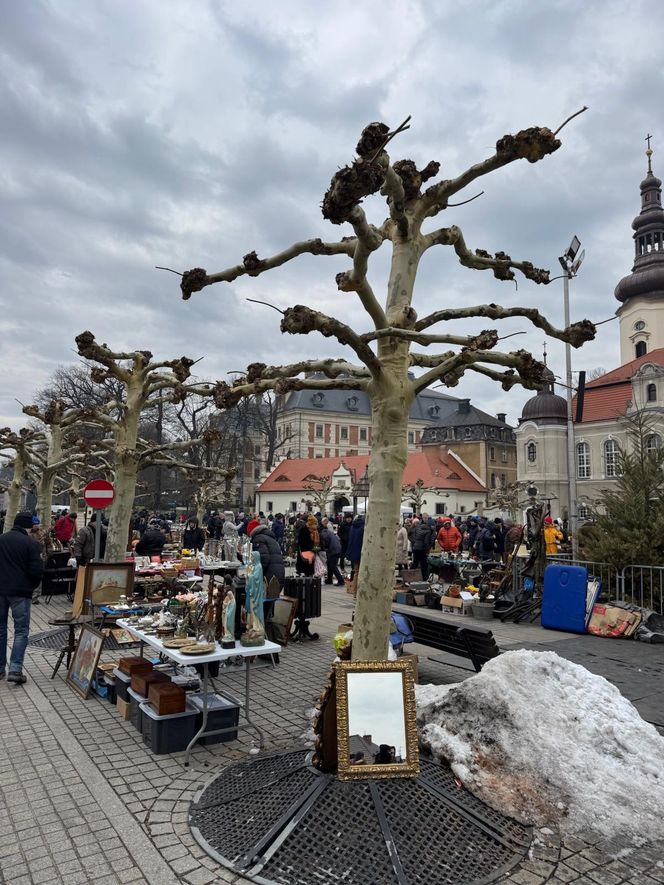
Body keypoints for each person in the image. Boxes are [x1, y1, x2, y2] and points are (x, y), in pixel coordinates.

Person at [0, 512, 44, 683]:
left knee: (1, 629)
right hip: (20, 592)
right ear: (28, 526)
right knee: (21, 631)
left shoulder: (1, 539)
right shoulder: (30, 543)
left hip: (0, 591)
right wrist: (30, 587)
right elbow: (36, 570)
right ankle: (15, 669)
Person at [250, 522, 286, 588]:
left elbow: (263, 560)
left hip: (269, 579)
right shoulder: (270, 538)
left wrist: (254, 573)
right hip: (277, 576)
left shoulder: (258, 539)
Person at [320, 518, 344, 586]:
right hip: (336, 549)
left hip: (334, 550)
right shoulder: (328, 532)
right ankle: (329, 579)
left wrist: (323, 548)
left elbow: (326, 543)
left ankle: (341, 580)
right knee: (329, 564)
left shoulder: (323, 533)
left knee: (333, 566)